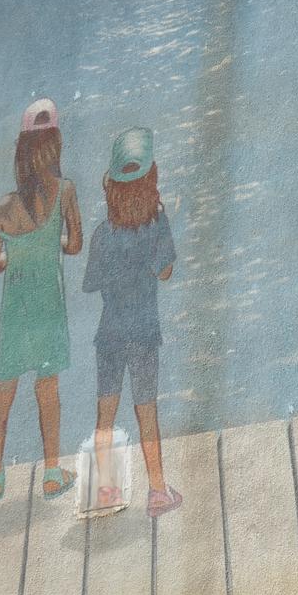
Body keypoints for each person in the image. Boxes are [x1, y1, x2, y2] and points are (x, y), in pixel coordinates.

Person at [0, 98, 83, 503]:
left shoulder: (5, 207)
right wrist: (50, 244)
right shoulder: (66, 192)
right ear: (55, 146)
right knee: (48, 390)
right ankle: (52, 474)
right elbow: (74, 246)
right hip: (48, 308)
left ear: (21, 152)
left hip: (15, 311)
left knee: (4, 390)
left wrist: (17, 255)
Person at [82, 127, 181, 517]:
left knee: (105, 414)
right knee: (147, 414)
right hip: (144, 334)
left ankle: (102, 495)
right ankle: (157, 491)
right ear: (152, 179)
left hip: (109, 334)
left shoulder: (102, 234)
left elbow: (92, 282)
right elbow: (165, 271)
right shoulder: (157, 224)